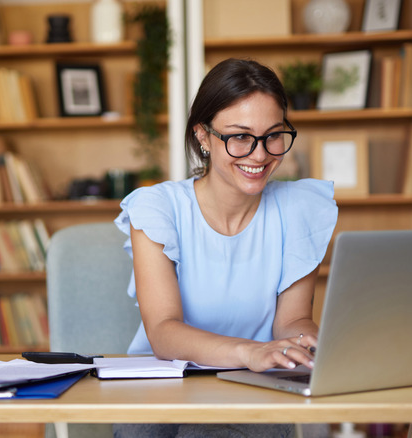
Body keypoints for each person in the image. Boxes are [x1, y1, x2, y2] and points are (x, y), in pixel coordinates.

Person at [112, 58, 338, 438]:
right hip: (162, 380)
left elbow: (292, 321)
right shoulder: (158, 208)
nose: (260, 154)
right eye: (240, 136)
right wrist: (249, 352)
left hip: (256, 382)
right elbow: (165, 331)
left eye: (273, 135)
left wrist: (309, 342)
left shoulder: (301, 208)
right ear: (203, 136)